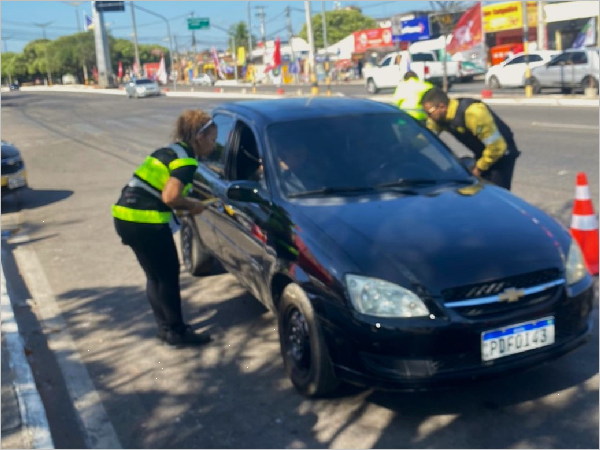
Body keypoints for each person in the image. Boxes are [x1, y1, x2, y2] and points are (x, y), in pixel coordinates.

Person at [112, 110, 217, 347]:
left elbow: (158, 190)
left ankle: (165, 329)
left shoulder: (169, 151)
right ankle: (178, 332)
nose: (213, 145)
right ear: (199, 137)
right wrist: (193, 205)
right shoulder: (187, 161)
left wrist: (184, 204)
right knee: (168, 276)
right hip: (146, 223)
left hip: (124, 217)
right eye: (212, 139)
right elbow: (170, 197)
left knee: (154, 276)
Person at [421, 87, 520, 190]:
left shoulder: (473, 113)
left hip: (501, 155)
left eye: (429, 113)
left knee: (495, 194)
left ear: (442, 107)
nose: (428, 117)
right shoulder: (439, 117)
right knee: (478, 193)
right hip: (483, 153)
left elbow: (497, 147)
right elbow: (428, 135)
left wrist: (479, 169)